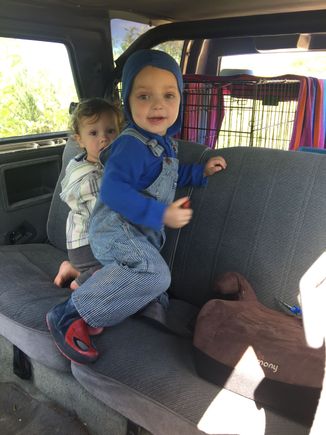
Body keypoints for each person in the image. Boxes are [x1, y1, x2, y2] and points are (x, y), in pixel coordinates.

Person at [46, 49, 227, 364]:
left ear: (180, 102)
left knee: (150, 276)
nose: (158, 104)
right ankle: (69, 313)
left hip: (136, 233)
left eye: (169, 95)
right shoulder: (130, 145)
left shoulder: (165, 143)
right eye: (144, 96)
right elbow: (114, 193)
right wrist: (162, 213)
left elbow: (170, 172)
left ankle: (124, 309)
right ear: (127, 104)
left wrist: (199, 172)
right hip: (115, 227)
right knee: (154, 274)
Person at [54, 98, 123, 290]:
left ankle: (71, 269)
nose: (104, 138)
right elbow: (105, 217)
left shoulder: (81, 162)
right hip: (86, 245)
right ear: (79, 140)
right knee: (116, 268)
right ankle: (80, 281)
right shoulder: (92, 179)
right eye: (94, 133)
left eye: (111, 131)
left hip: (84, 241)